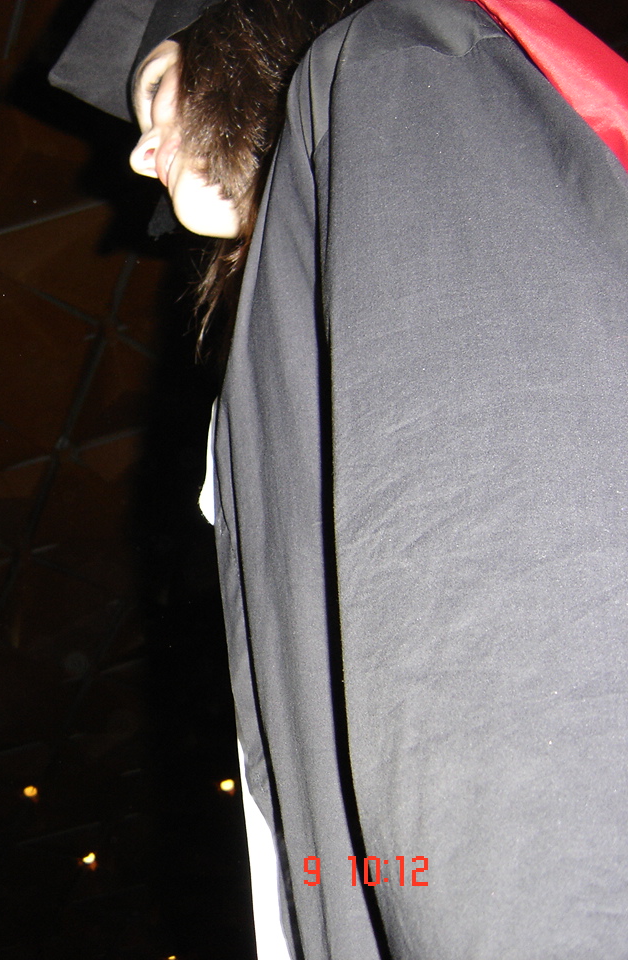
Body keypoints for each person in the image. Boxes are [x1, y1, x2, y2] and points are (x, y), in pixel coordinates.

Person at [54, 1, 628, 958]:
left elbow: (510, 584)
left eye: (156, 91)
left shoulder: (395, 67)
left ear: (238, 35)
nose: (141, 155)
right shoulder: (293, 284)